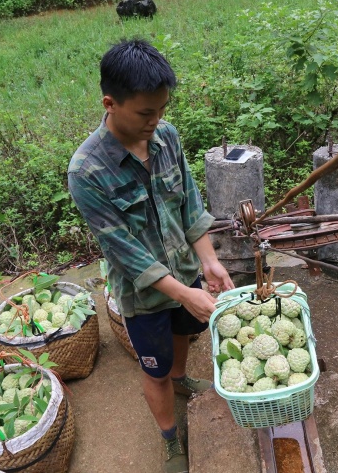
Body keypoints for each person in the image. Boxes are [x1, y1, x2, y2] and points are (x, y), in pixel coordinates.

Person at [68, 38, 234, 473]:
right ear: (110, 102)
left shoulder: (166, 138)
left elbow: (189, 205)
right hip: (143, 297)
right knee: (154, 367)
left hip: (184, 273)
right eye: (145, 113)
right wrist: (183, 292)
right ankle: (169, 439)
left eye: (162, 110)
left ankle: (180, 381)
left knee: (183, 335)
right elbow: (125, 253)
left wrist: (209, 261)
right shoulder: (87, 172)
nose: (156, 121)